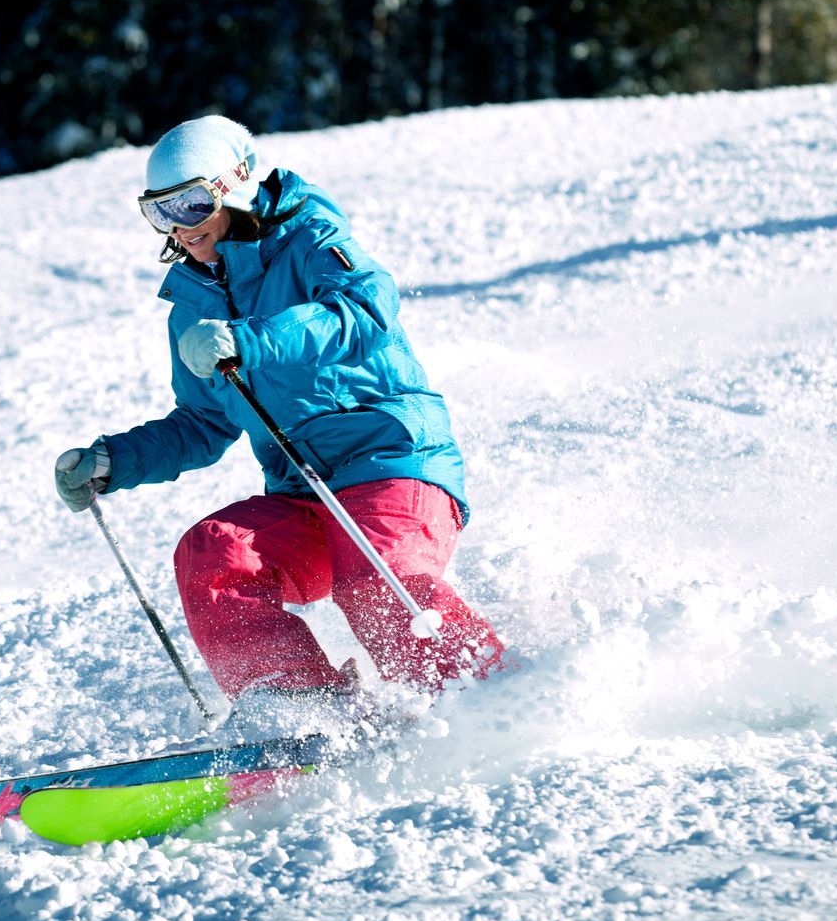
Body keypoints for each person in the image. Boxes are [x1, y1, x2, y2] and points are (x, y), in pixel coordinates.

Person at [54, 116, 504, 718]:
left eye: (192, 203)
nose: (181, 228)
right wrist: (115, 462)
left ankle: (492, 698)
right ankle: (303, 709)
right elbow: (205, 423)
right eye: (160, 212)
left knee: (373, 580)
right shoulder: (193, 305)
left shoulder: (310, 238)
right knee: (213, 554)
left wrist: (253, 340)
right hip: (306, 492)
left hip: (393, 461)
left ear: (234, 184)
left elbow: (366, 308)